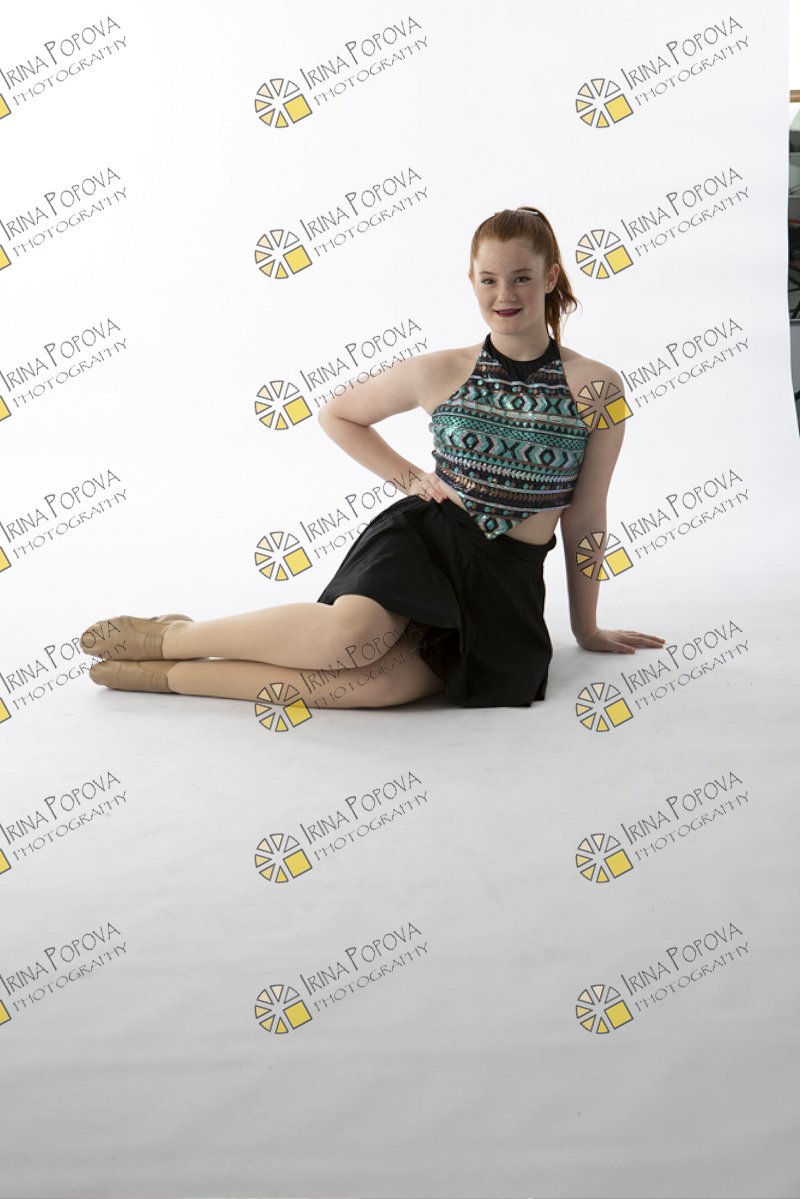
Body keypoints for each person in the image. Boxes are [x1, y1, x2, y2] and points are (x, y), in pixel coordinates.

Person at [82, 206, 664, 710]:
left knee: (379, 687)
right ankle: (172, 639)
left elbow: (587, 516)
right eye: (489, 280)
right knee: (350, 639)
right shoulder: (440, 370)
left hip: (504, 581)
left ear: (550, 276)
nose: (504, 296)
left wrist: (585, 628)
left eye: (521, 278)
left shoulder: (597, 386)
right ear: (471, 280)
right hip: (430, 544)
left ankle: (172, 678)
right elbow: (339, 414)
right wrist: (409, 477)